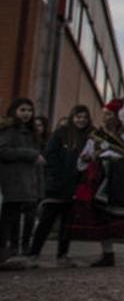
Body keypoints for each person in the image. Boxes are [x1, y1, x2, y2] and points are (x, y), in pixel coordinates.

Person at [72, 98, 124, 266]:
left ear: (117, 116)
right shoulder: (97, 135)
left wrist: (122, 103)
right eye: (104, 114)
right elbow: (88, 154)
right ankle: (107, 254)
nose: (104, 117)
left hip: (121, 173)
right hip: (100, 173)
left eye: (108, 114)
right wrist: (86, 158)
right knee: (101, 214)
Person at [27, 105, 92, 266]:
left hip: (76, 185)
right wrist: (56, 175)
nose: (81, 120)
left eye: (84, 117)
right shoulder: (61, 133)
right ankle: (33, 254)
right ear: (72, 117)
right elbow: (50, 154)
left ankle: (62, 255)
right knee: (46, 221)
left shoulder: (90, 136)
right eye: (78, 116)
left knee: (67, 224)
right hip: (57, 185)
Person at [0, 98, 45, 261]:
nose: (26, 114)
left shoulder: (32, 133)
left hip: (29, 184)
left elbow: (38, 164)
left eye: (29, 110)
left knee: (27, 219)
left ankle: (21, 251)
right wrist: (30, 154)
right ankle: (8, 251)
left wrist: (40, 189)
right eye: (23, 110)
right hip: (12, 183)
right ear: (14, 111)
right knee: (9, 220)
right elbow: (3, 151)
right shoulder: (8, 130)